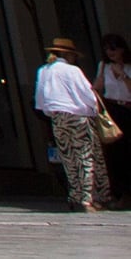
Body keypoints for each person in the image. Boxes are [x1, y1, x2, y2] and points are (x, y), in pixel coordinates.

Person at [38, 36, 105, 211]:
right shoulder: (72, 70)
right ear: (69, 55)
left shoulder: (44, 70)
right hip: (77, 115)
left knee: (68, 157)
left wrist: (49, 111)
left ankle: (74, 195)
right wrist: (94, 110)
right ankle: (86, 198)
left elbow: (40, 97)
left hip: (57, 116)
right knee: (84, 156)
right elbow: (87, 94)